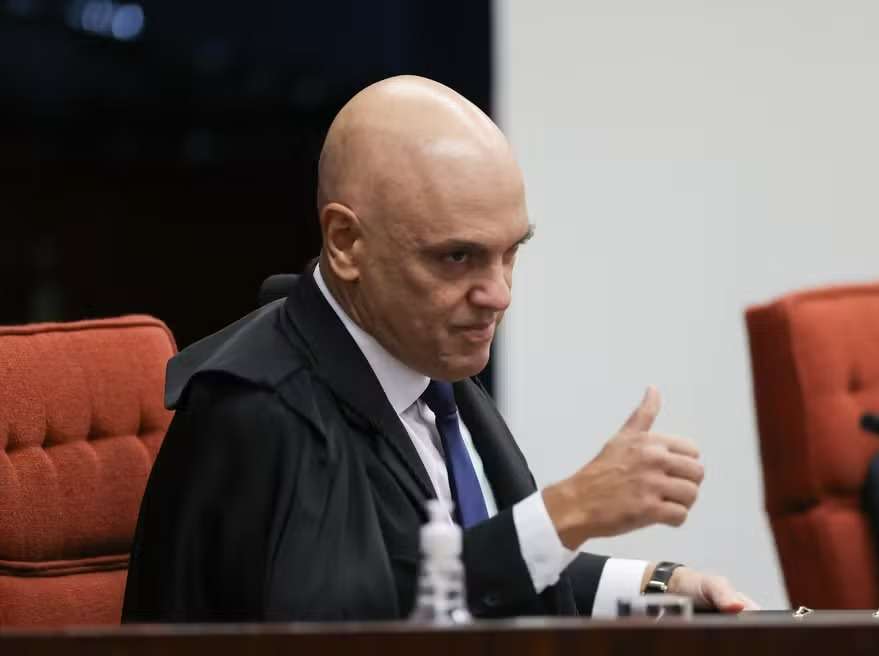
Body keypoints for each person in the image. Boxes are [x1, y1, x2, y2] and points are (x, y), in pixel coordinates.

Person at [122, 75, 758, 622]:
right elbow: (346, 622)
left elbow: (460, 564)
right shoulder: (257, 408)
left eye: (511, 252)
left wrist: (657, 588)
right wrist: (566, 512)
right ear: (345, 243)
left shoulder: (423, 369)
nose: (498, 293)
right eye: (458, 257)